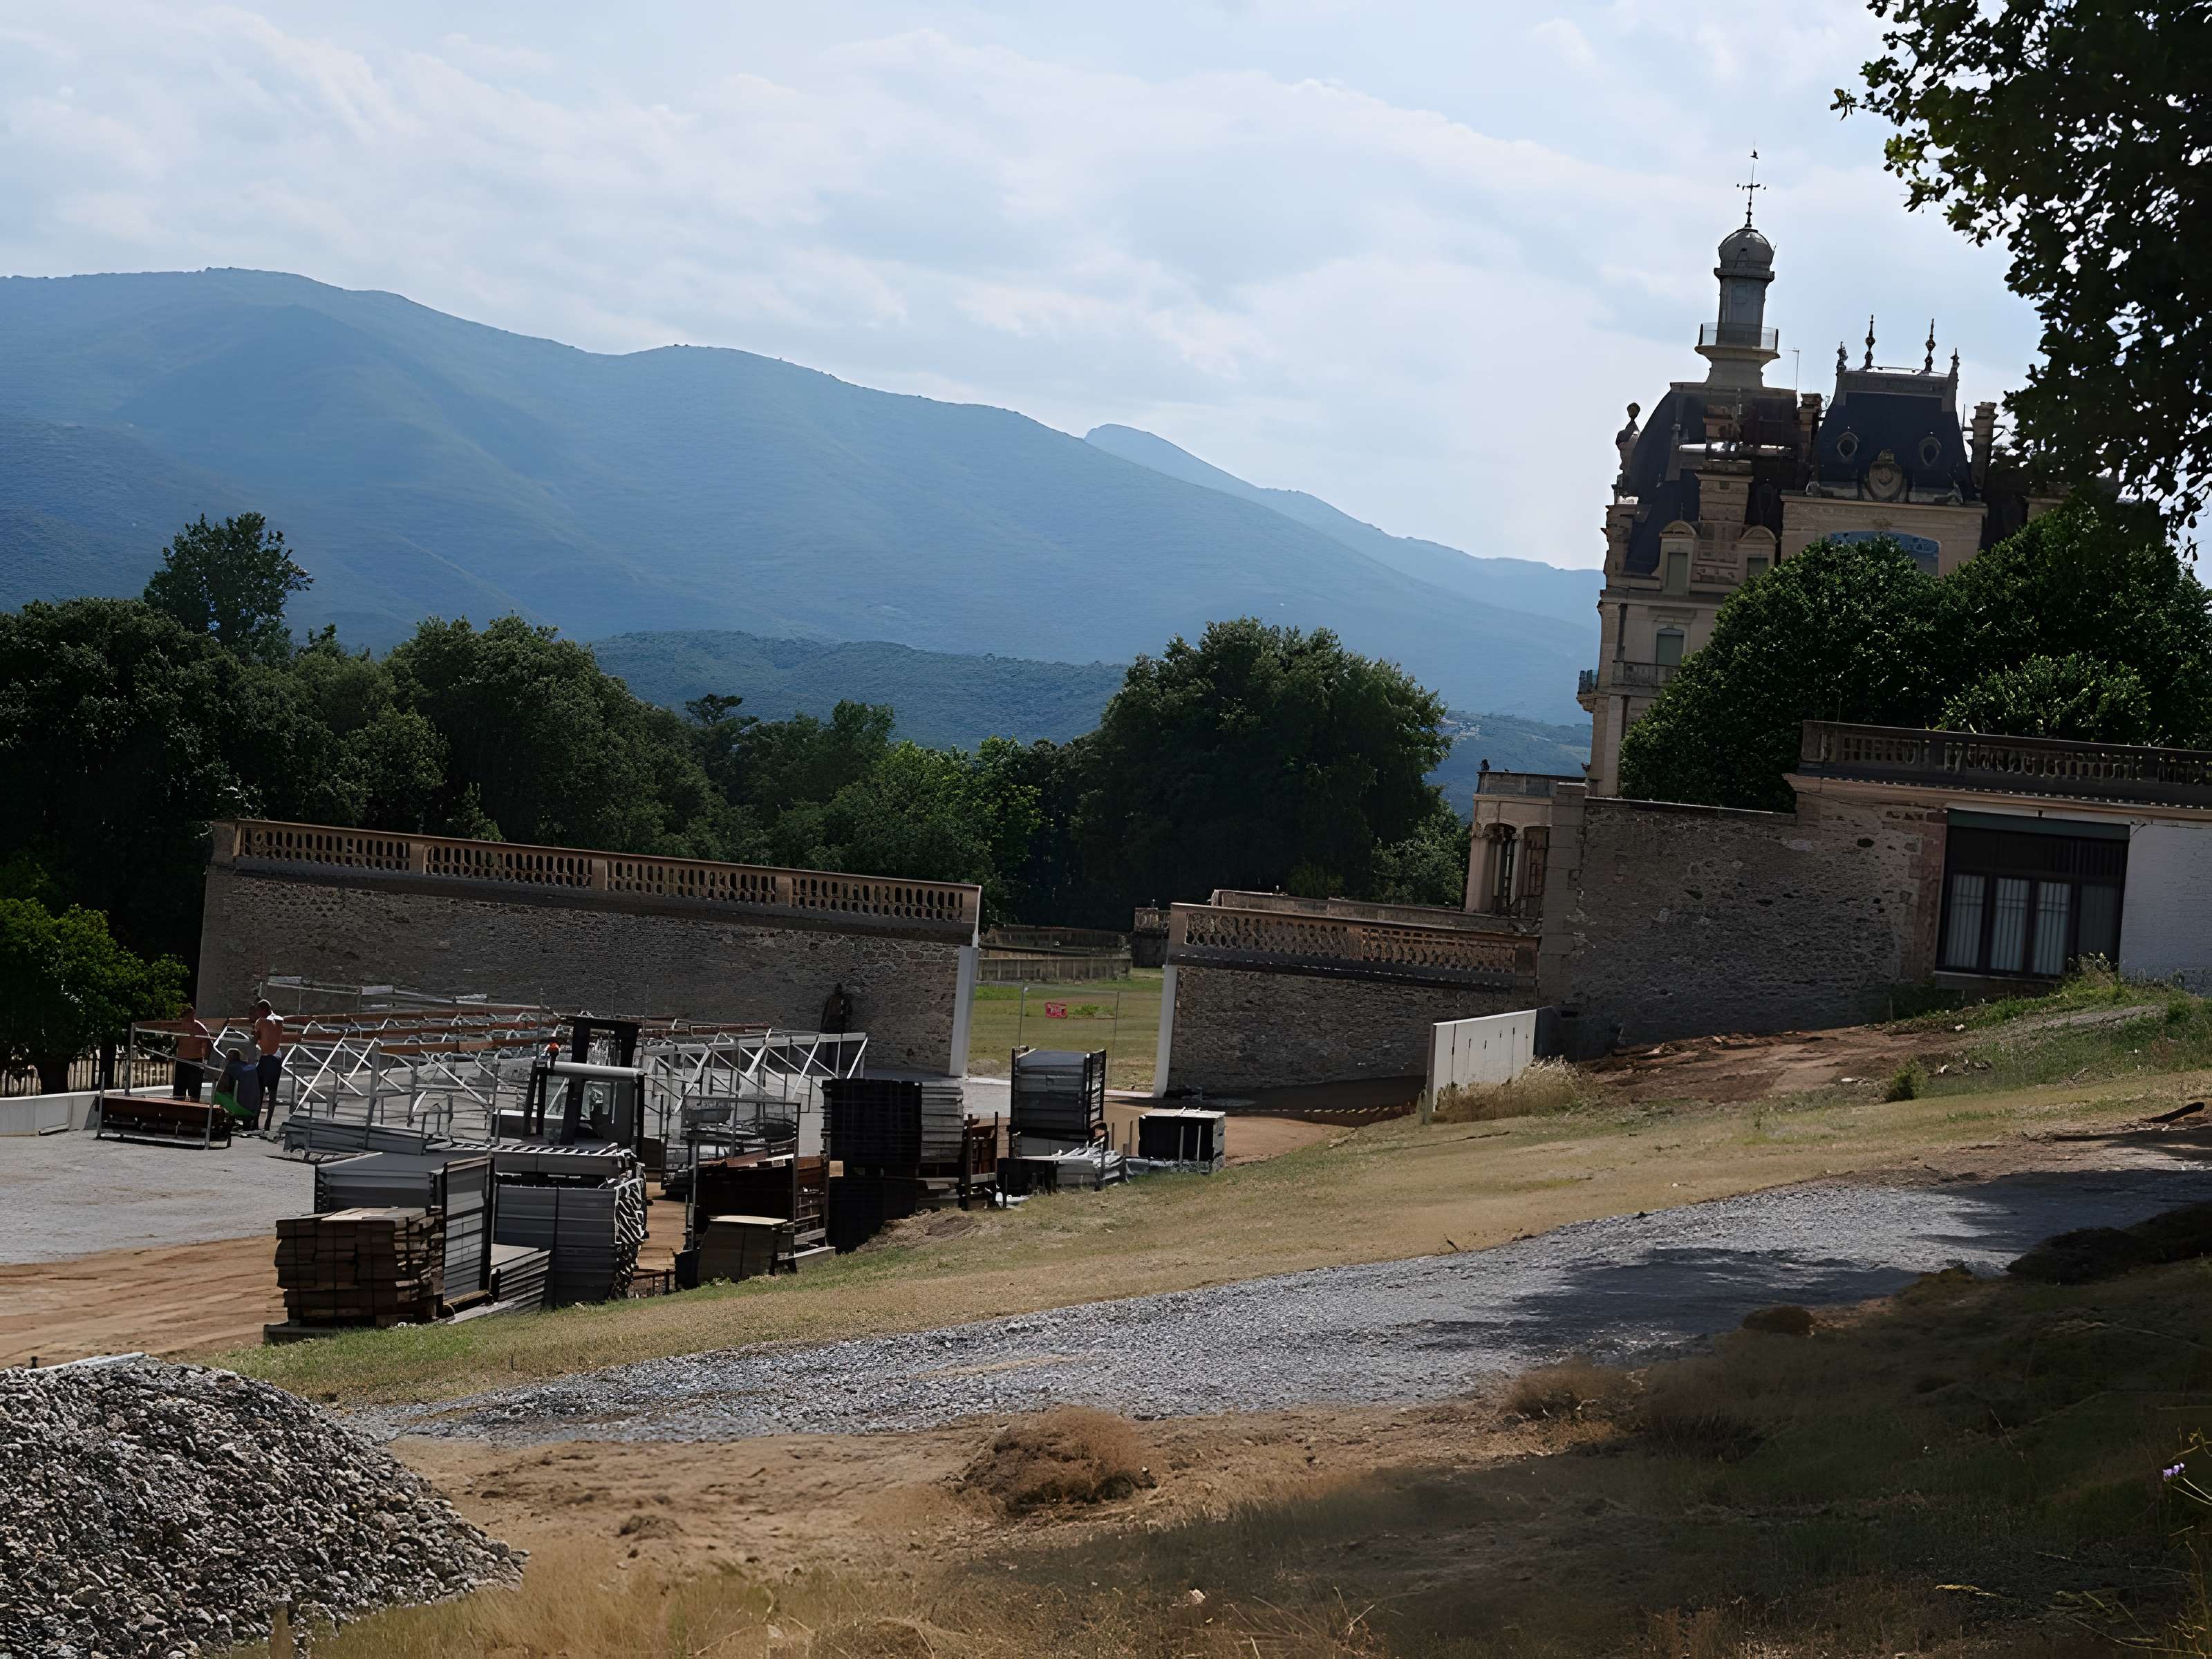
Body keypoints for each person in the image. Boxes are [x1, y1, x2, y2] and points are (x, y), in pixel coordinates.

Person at [251, 1000, 285, 1130]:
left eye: (259, 1011)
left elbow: (255, 1040)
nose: (257, 1014)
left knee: (259, 1091)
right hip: (276, 1057)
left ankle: (255, 1121)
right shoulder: (280, 1020)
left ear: (264, 1010)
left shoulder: (261, 1022)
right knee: (273, 1092)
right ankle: (268, 1122)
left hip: (265, 1057)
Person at [172, 1004, 213, 1101]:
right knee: (178, 1093)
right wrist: (171, 1052)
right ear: (183, 1018)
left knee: (194, 1093)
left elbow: (209, 1043)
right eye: (188, 1018)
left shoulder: (199, 1027)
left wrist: (205, 1062)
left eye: (192, 1017)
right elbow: (176, 1042)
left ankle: (193, 1105)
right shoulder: (179, 1027)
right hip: (181, 1060)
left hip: (196, 1062)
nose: (191, 1020)